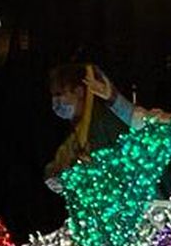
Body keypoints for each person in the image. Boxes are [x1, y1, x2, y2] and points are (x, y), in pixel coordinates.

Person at [44, 62, 132, 191]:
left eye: (59, 94)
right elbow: (62, 161)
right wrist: (54, 173)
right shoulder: (78, 130)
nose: (55, 102)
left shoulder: (105, 122)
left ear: (79, 91)